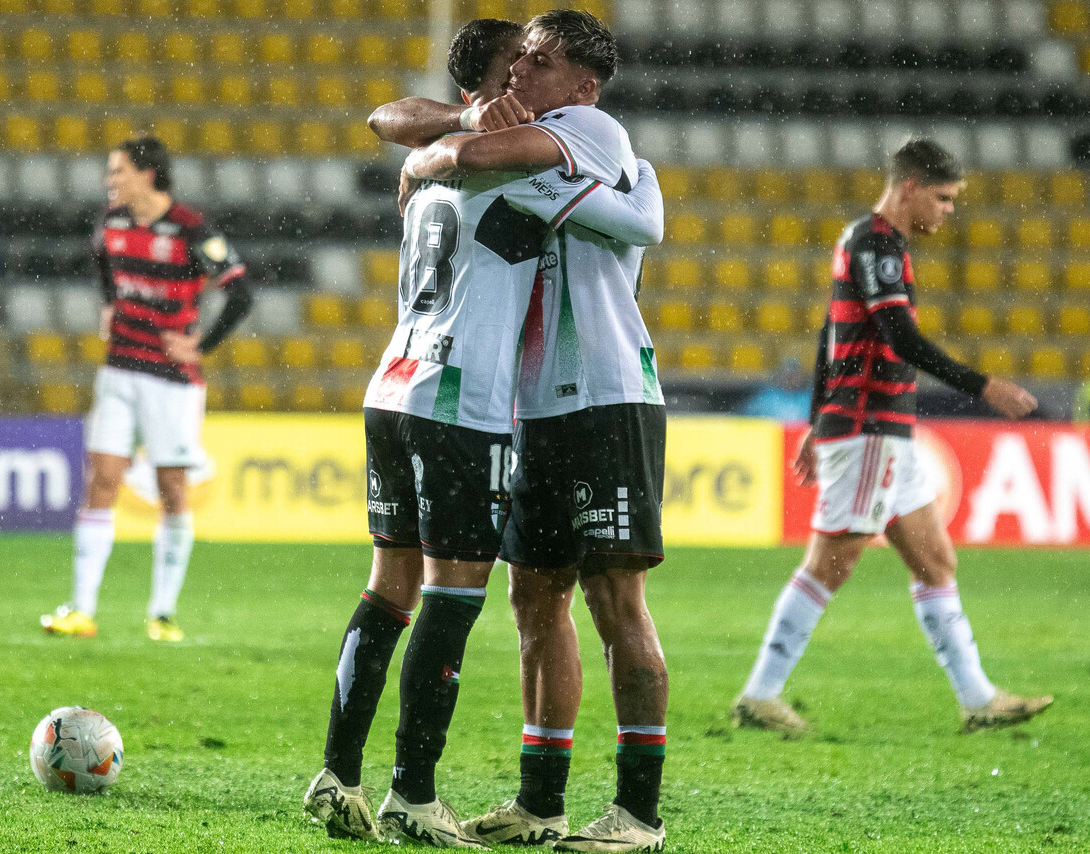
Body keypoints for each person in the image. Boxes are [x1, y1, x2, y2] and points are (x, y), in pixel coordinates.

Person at [302, 17, 664, 849]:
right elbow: (633, 215)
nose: (524, 81)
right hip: (468, 398)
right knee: (474, 597)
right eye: (518, 67)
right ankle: (417, 794)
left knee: (418, 588)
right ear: (489, 86)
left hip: (448, 386)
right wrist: (455, 137)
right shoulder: (501, 150)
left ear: (579, 85)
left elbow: (638, 219)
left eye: (542, 66)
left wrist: (431, 152)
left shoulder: (579, 131)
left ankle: (346, 771)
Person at [731, 138, 1052, 736]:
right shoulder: (876, 242)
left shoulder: (867, 241)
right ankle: (761, 693)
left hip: (884, 430)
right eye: (944, 197)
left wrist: (812, 420)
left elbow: (831, 335)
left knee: (935, 562)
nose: (950, 210)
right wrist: (982, 385)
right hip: (868, 427)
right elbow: (898, 336)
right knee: (831, 562)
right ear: (910, 188)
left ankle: (978, 697)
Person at [40, 136, 252, 643]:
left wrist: (201, 345)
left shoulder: (191, 229)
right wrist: (109, 303)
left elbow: (241, 293)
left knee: (172, 490)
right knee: (102, 482)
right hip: (118, 370)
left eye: (117, 172)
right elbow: (102, 263)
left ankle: (162, 613)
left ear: (147, 174)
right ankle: (81, 610)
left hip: (171, 381)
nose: (110, 181)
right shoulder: (111, 223)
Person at [740, 357, 812, 422]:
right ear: (779, 376)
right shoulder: (766, 399)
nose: (790, 379)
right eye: (787, 375)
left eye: (795, 375)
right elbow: (745, 420)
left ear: (802, 377)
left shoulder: (809, 399)